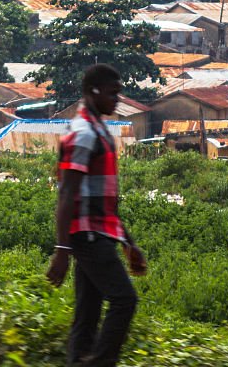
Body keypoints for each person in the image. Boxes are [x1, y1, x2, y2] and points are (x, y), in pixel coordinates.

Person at [46, 64, 147, 367]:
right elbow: (67, 193)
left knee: (87, 315)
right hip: (87, 235)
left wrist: (129, 243)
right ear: (93, 92)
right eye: (113, 93)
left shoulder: (100, 130)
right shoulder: (83, 133)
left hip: (99, 230)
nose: (118, 99)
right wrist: (62, 250)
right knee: (124, 299)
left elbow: (105, 201)